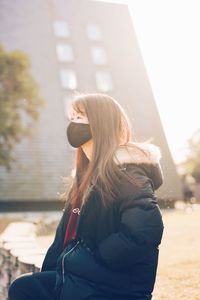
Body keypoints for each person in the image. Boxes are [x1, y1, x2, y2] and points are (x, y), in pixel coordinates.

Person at [8, 93, 164, 300]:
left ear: (100, 125)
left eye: (79, 117)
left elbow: (145, 231)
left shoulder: (126, 174)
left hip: (111, 288)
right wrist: (53, 271)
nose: (73, 124)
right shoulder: (85, 179)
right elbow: (63, 240)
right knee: (24, 287)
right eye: (71, 118)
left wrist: (95, 256)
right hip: (80, 281)